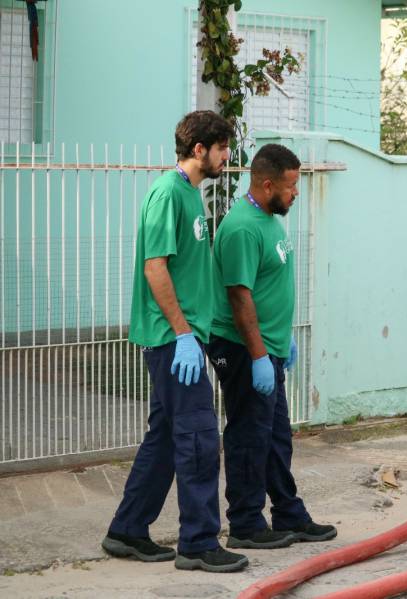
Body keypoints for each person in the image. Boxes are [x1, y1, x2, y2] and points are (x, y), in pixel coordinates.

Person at [102, 110, 249, 573]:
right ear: (199, 149)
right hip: (172, 338)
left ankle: (127, 530)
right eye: (222, 147)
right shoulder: (168, 193)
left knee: (166, 437)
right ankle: (199, 543)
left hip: (186, 335)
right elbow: (155, 267)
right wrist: (183, 334)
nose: (228, 155)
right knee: (199, 438)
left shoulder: (189, 194)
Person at [207, 143, 337, 550]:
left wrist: (282, 340)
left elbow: (268, 285)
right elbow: (239, 297)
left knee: (276, 435)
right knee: (249, 435)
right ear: (267, 185)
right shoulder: (243, 227)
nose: (296, 193)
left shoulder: (268, 218)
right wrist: (261, 355)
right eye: (291, 186)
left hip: (270, 347)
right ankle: (245, 523)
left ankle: (287, 513)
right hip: (245, 349)